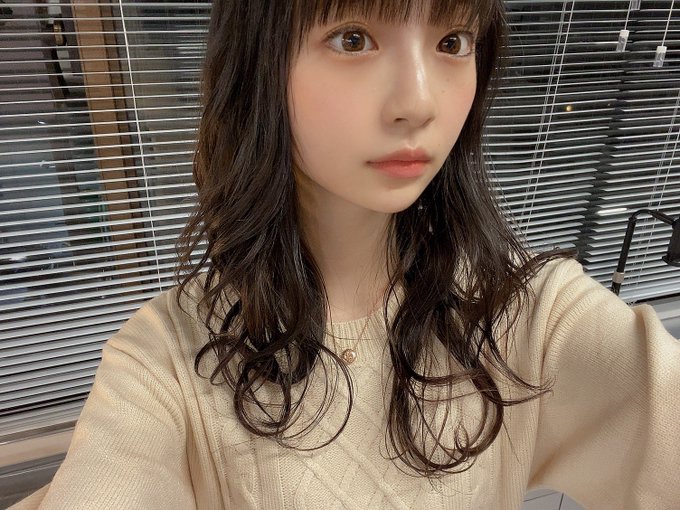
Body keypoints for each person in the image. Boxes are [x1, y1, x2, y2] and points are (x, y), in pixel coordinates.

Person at [10, 1, 680, 509]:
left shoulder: (526, 312)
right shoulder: (164, 364)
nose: (419, 102)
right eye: (353, 39)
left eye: (452, 41)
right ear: (260, 66)